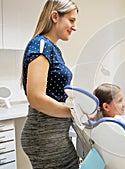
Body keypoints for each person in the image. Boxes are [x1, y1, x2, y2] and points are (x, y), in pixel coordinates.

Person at [21, 0, 79, 168]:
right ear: (55, 16)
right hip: (44, 134)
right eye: (71, 20)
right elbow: (36, 98)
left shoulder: (52, 48)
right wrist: (74, 113)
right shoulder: (41, 45)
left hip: (53, 133)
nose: (74, 27)